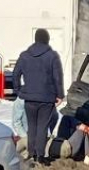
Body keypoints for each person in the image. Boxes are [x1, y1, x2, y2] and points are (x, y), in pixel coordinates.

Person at [12, 29, 64, 162]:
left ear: (35, 39)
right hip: (47, 98)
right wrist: (60, 94)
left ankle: (31, 153)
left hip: (29, 98)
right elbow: (57, 77)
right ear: (47, 40)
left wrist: (19, 91)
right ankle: (40, 156)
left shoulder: (24, 56)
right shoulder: (52, 56)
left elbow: (15, 74)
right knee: (42, 127)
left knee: (32, 126)